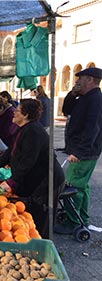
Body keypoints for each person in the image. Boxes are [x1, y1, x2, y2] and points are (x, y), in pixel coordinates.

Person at [0, 99, 65, 238]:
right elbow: (11, 151)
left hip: (48, 179)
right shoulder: (25, 129)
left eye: (17, 110)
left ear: (26, 115)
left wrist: (11, 181)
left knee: (41, 215)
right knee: (33, 211)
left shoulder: (33, 131)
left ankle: (42, 244)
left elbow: (28, 161)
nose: (14, 112)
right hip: (38, 178)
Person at [54, 67, 102, 234]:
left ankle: (72, 223)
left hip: (84, 152)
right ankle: (82, 218)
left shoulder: (95, 99)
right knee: (82, 186)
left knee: (73, 186)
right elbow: (66, 110)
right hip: (80, 150)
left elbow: (92, 128)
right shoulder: (84, 97)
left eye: (80, 78)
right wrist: (72, 93)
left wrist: (79, 152)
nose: (77, 81)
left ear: (90, 79)